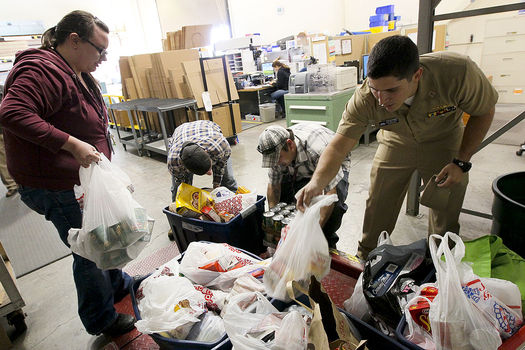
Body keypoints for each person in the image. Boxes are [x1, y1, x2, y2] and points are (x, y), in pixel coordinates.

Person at [297, 35, 497, 260]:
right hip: (396, 141)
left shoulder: (456, 72)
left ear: (417, 76)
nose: (381, 100)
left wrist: (461, 161)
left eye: (391, 90)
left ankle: (440, 262)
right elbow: (338, 145)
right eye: (375, 89)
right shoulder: (365, 98)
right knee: (378, 205)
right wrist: (317, 182)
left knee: (445, 209)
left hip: (444, 139)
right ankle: (367, 260)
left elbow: (485, 110)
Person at [0, 11, 136, 336]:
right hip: (56, 184)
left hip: (81, 179)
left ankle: (117, 286)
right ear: (74, 40)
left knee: (106, 232)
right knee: (88, 248)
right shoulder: (41, 69)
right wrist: (72, 144)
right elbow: (12, 111)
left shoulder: (75, 69)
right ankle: (100, 318)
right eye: (99, 50)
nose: (103, 58)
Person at [257, 123, 350, 249]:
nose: (276, 164)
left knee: (333, 209)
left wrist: (314, 232)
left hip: (334, 161)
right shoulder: (278, 154)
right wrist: (274, 224)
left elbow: (330, 194)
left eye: (278, 158)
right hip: (302, 164)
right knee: (288, 200)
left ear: (290, 145)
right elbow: (274, 187)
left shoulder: (316, 150)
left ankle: (327, 245)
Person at [168, 120, 238, 201]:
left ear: (206, 152)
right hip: (180, 133)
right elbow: (182, 185)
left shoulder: (221, 146)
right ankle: (176, 209)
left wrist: (216, 190)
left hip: (205, 127)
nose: (210, 173)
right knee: (178, 190)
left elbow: (220, 168)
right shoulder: (174, 164)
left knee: (228, 180)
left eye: (209, 167)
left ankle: (235, 201)